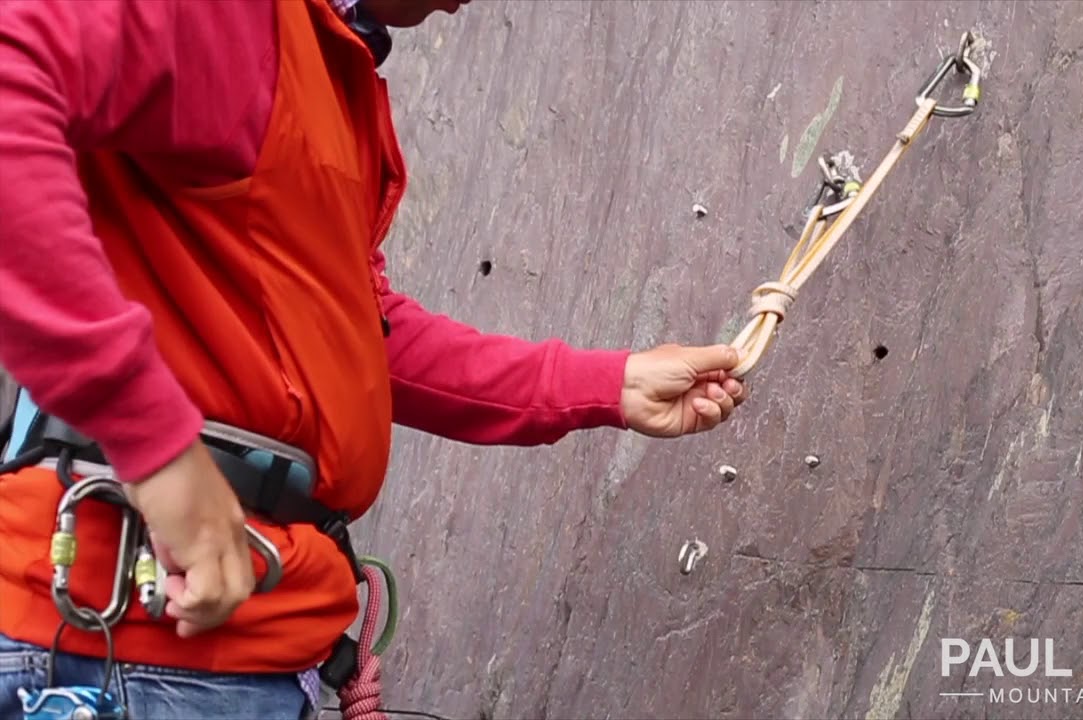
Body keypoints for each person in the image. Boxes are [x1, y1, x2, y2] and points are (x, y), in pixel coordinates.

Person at [0, 0, 748, 717]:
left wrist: (607, 384)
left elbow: (355, 335)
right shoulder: (234, 18)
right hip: (125, 648)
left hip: (226, 648)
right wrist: (156, 446)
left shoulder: (328, 65)